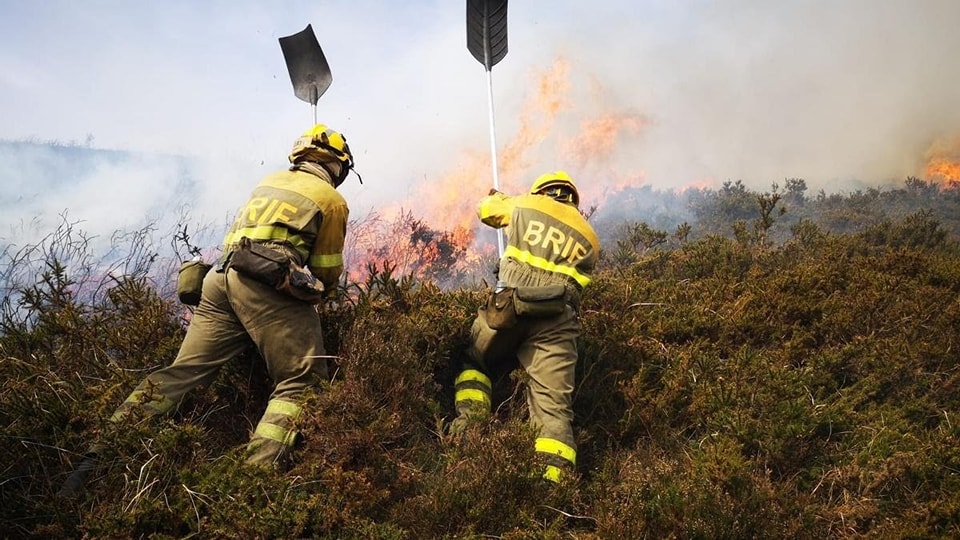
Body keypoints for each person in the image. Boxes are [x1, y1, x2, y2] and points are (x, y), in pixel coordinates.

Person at [59, 124, 356, 496]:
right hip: (266, 284)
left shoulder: (268, 183)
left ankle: (93, 461)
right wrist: (322, 296)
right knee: (301, 382)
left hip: (219, 280)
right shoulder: (329, 198)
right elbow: (326, 267)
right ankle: (250, 485)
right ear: (338, 165)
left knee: (183, 372)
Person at [450, 170, 600, 483]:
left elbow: (486, 210)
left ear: (541, 192)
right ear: (571, 198)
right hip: (557, 324)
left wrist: (498, 199)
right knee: (554, 407)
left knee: (476, 361)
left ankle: (469, 429)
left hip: (508, 309)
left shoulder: (526, 205)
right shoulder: (589, 236)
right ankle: (552, 488)